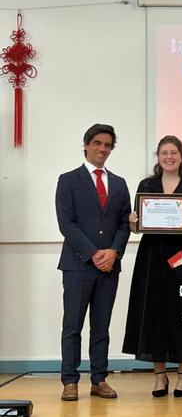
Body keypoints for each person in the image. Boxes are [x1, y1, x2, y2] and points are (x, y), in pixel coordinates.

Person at [122, 135, 182, 397]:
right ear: (158, 156)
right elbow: (136, 227)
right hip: (153, 258)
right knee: (156, 314)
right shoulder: (147, 185)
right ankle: (159, 376)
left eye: (174, 153)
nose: (169, 157)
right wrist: (133, 221)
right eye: (164, 153)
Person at [56, 123, 131, 401]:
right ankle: (69, 381)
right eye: (97, 143)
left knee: (101, 326)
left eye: (108, 145)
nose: (102, 149)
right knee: (72, 326)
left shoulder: (119, 183)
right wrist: (94, 253)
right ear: (86, 145)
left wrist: (114, 252)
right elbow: (67, 223)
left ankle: (99, 379)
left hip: (110, 266)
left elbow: (124, 223)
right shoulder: (68, 180)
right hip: (78, 265)